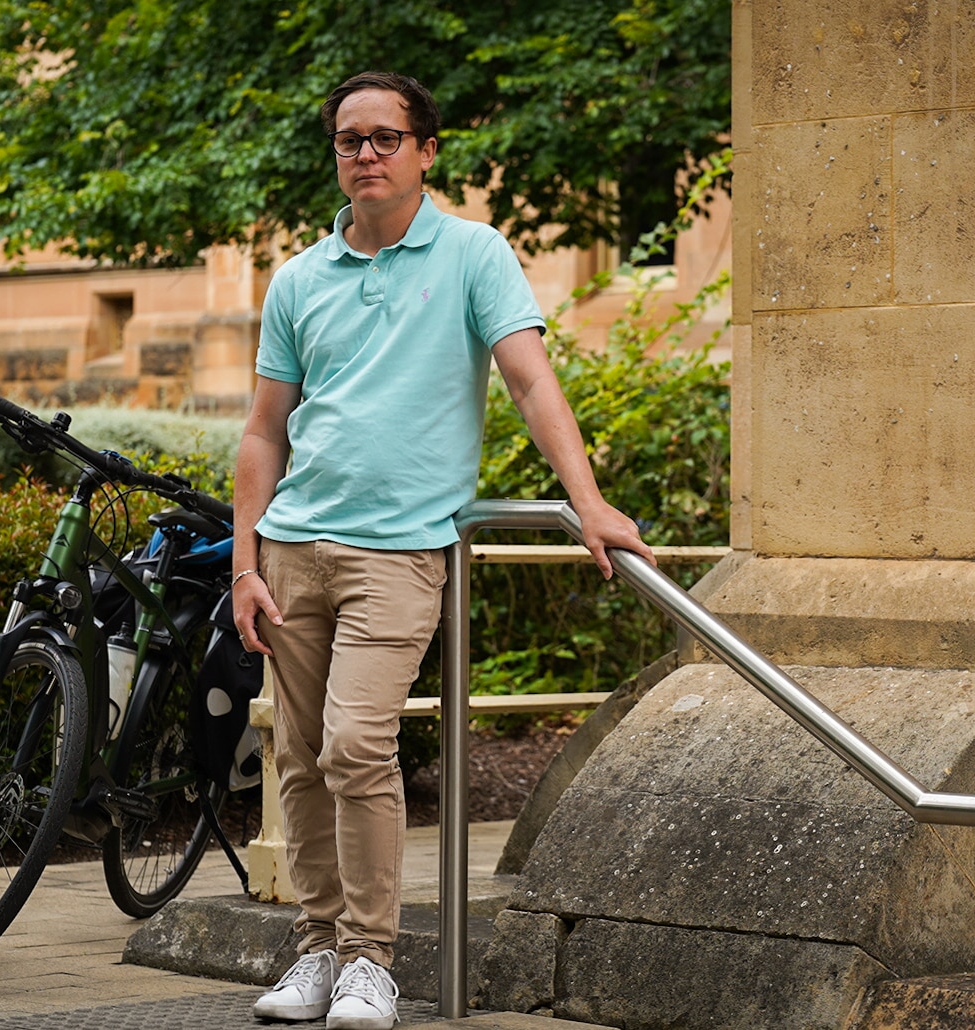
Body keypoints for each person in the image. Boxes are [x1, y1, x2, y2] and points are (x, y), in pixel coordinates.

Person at [232, 70, 653, 1030]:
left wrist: (586, 502)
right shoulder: (299, 278)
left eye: (386, 138)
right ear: (334, 155)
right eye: (350, 140)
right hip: (294, 546)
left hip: (401, 552)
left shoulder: (472, 253)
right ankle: (316, 949)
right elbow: (264, 432)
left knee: (355, 744)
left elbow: (530, 380)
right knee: (295, 758)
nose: (367, 154)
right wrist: (244, 563)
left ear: (427, 150)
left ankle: (370, 962)